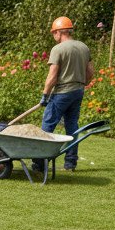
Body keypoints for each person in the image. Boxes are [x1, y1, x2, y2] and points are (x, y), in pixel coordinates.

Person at [40, 16, 94, 171]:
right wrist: (81, 84)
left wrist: (45, 95)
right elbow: (90, 72)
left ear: (58, 32)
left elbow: (52, 76)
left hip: (62, 92)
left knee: (47, 126)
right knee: (72, 127)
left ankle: (39, 163)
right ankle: (70, 163)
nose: (53, 37)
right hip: (78, 91)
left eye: (53, 33)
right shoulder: (83, 47)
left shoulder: (58, 49)